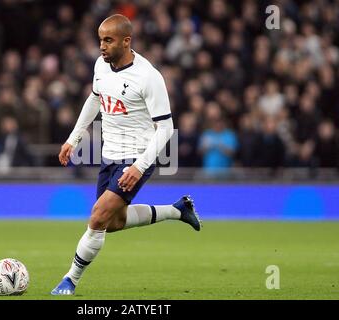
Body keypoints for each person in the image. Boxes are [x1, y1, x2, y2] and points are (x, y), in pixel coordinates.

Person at [51, 14, 202, 296]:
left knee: (96, 218)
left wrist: (139, 165)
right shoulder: (101, 66)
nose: (102, 47)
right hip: (109, 157)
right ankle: (177, 210)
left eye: (108, 40)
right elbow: (94, 99)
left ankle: (69, 280)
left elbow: (166, 128)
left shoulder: (148, 77)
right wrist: (74, 138)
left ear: (126, 41)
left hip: (136, 157)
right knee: (113, 223)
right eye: (100, 40)